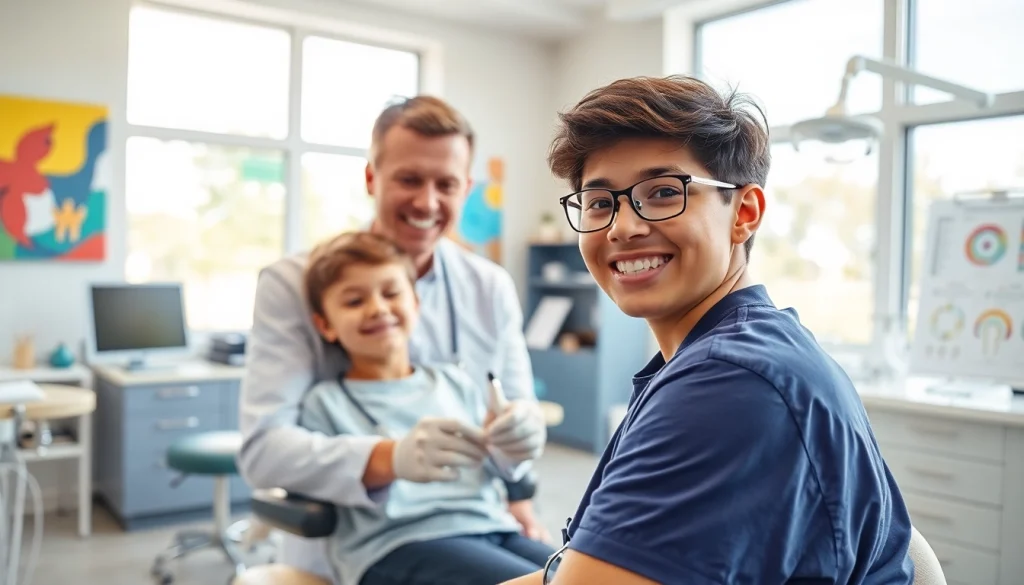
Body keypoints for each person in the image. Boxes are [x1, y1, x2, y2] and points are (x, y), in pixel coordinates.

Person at [505, 75, 915, 584]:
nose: (622, 227)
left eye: (661, 193)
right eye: (599, 202)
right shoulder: (733, 349)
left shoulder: (731, 383)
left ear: (744, 213)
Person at [239, 95, 550, 582]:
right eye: (409, 179)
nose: (427, 202)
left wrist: (523, 435)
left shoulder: (488, 287)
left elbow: (511, 411)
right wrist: (389, 457)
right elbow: (264, 452)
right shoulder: (295, 283)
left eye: (446, 184)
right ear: (371, 178)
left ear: (465, 188)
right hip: (378, 540)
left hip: (481, 517)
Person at [297, 230, 555, 585]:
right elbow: (318, 476)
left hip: (489, 523)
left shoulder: (455, 382)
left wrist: (513, 443)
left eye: (391, 293)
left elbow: (496, 466)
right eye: (355, 301)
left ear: (416, 304)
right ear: (325, 325)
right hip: (398, 543)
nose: (378, 308)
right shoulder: (324, 404)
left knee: (594, 573)